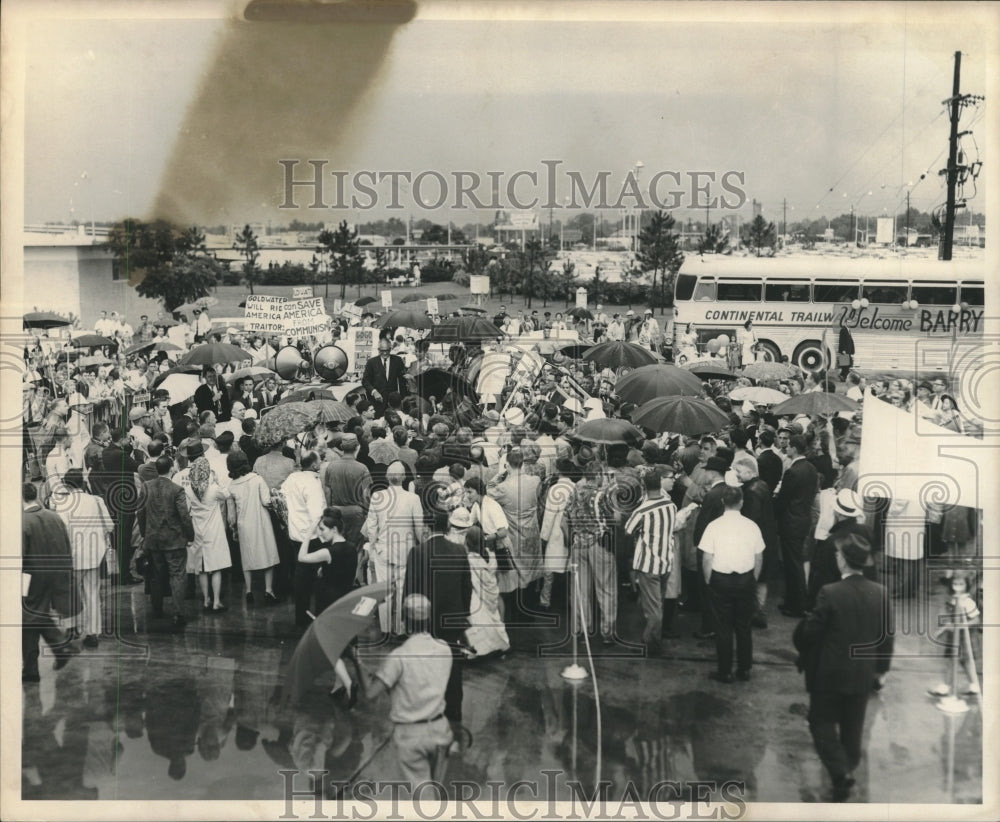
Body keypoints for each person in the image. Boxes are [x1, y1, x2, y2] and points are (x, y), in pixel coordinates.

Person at [793, 530, 894, 802]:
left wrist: (802, 636)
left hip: (830, 673)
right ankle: (846, 771)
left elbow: (809, 632)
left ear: (845, 561)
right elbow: (887, 637)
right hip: (862, 674)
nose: (836, 556)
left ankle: (841, 774)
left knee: (820, 723)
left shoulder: (830, 592)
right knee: (853, 730)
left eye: (838, 554)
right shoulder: (881, 593)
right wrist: (881, 671)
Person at [359, 593, 454, 788]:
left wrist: (356, 662)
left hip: (410, 736)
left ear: (405, 622)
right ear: (428, 619)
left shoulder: (399, 657)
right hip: (440, 730)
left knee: (418, 798)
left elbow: (370, 693)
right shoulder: (445, 649)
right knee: (436, 792)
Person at [404, 508, 473, 729]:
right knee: (453, 664)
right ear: (447, 527)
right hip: (453, 617)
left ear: (426, 527)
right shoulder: (459, 551)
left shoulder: (417, 552)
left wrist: (408, 620)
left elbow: (410, 589)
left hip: (425, 619)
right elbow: (466, 587)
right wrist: (464, 614)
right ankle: (454, 710)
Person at [700, 485, 765, 683]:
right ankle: (744, 669)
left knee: (723, 626)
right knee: (744, 626)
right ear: (741, 502)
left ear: (722, 502)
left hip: (721, 579)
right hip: (745, 579)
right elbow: (759, 557)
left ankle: (725, 671)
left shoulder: (714, 526)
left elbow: (707, 558)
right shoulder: (751, 526)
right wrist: (752, 578)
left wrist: (710, 579)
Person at [296, 508, 360, 703]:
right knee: (340, 644)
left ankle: (348, 684)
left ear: (333, 529)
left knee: (329, 647)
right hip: (347, 599)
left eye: (322, 529)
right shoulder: (351, 548)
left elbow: (302, 557)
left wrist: (307, 534)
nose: (320, 533)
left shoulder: (327, 552)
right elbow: (347, 573)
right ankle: (339, 686)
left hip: (329, 602)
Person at [22, 483, 79, 682]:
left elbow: (20, 557)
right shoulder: (54, 517)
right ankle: (54, 651)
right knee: (35, 616)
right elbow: (66, 544)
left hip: (30, 579)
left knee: (28, 618)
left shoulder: (23, 522)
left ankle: (56, 647)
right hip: (55, 575)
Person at [50, 469, 114, 648]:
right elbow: (109, 526)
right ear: (82, 482)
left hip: (72, 556)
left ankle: (72, 628)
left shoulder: (64, 503)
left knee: (69, 593)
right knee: (92, 594)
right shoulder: (95, 500)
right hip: (94, 555)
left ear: (66, 484)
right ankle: (92, 633)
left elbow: (60, 531)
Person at [362, 461, 426, 637]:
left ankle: (385, 628)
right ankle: (399, 628)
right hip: (406, 551)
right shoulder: (413, 499)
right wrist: (422, 546)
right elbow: (419, 528)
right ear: (404, 477)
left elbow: (371, 528)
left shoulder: (377, 497)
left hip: (383, 550)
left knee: (385, 591)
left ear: (388, 477)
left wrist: (373, 550)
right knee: (402, 590)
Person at [624, 467, 683, 651]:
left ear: (644, 485)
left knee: (654, 608)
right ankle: (653, 633)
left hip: (648, 564)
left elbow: (628, 530)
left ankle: (651, 642)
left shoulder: (642, 510)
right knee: (659, 602)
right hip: (666, 561)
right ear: (659, 484)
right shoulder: (671, 506)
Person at [138, 454, 196, 629]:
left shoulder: (146, 487)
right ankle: (178, 614)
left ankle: (157, 610)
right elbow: (184, 516)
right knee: (177, 575)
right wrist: (190, 535)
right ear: (172, 468)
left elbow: (140, 513)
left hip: (153, 539)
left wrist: (144, 533)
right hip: (174, 539)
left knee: (155, 575)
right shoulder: (177, 490)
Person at [226, 451, 280, 605]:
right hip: (261, 521)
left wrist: (233, 528)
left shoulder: (231, 486)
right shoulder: (257, 479)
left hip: (243, 524)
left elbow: (231, 515)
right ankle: (268, 590)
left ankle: (249, 591)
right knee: (268, 554)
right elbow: (266, 501)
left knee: (246, 556)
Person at [184, 442, 232, 613]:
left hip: (198, 530)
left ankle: (206, 599)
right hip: (214, 530)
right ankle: (217, 601)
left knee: (202, 568)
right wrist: (217, 480)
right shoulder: (213, 489)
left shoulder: (189, 489)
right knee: (216, 567)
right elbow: (226, 494)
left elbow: (187, 508)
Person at [775, 434, 819, 618]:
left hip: (791, 521)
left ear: (793, 448)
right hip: (803, 518)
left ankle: (797, 605)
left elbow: (784, 499)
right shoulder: (810, 468)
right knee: (796, 562)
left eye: (789, 446)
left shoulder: (793, 471)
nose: (786, 448)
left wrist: (775, 511)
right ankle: (794, 601)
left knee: (793, 564)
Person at [281, 452, 327, 625]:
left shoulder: (292, 478)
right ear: (314, 465)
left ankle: (302, 614)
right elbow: (316, 514)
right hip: (311, 535)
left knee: (301, 576)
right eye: (320, 460)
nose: (322, 462)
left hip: (295, 532)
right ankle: (313, 615)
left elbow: (281, 494)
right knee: (316, 577)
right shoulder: (312, 484)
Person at [463, 525, 509, 657]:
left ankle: (482, 648)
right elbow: (495, 577)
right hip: (492, 593)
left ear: (468, 541)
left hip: (479, 596)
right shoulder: (492, 555)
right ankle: (501, 645)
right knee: (496, 620)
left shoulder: (471, 559)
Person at [362, 338, 408, 414]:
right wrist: (374, 392)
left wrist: (402, 398)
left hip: (393, 402)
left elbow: (402, 381)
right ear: (378, 350)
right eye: (382, 351)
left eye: (387, 350)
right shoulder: (371, 362)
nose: (385, 353)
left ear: (390, 349)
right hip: (377, 401)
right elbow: (365, 381)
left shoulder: (397, 360)